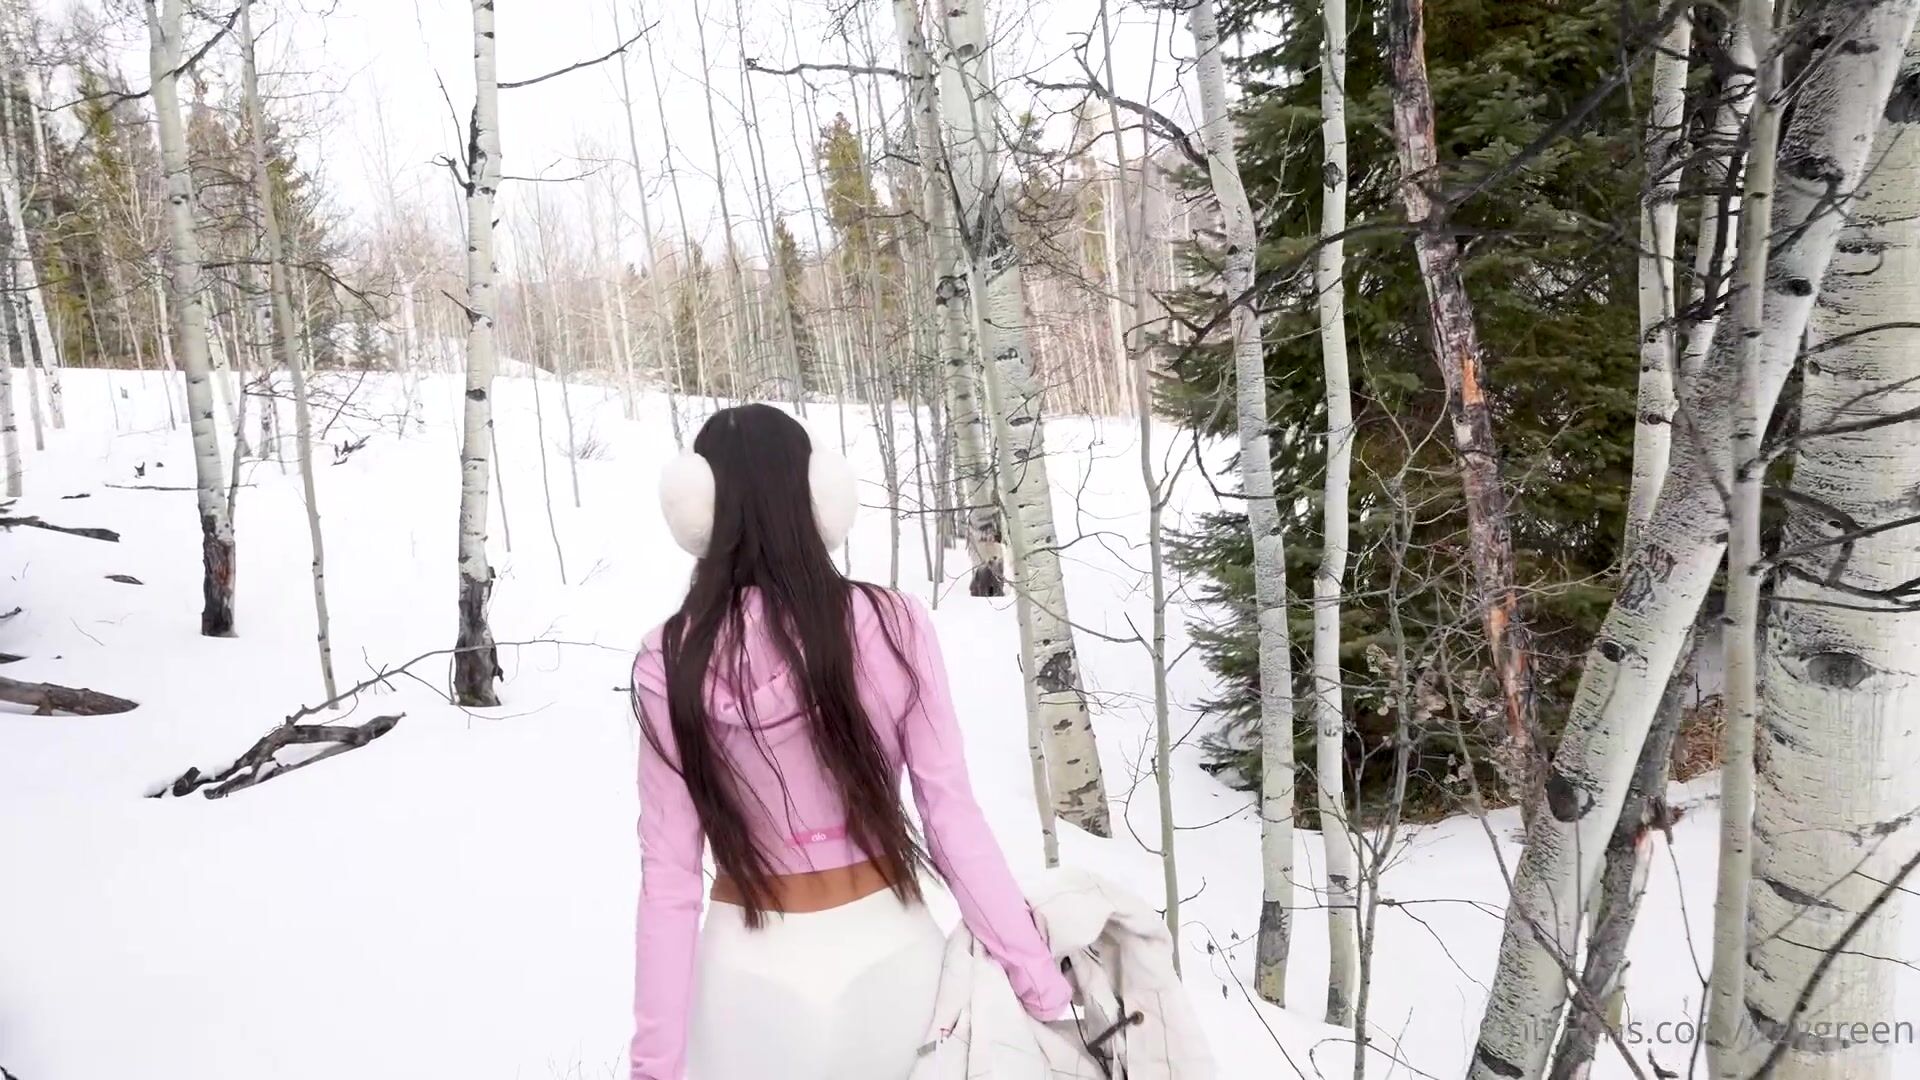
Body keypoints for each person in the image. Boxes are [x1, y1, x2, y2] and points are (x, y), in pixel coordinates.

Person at [629, 404, 1073, 1080]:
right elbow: (950, 817)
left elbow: (669, 878)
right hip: (890, 956)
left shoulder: (669, 657)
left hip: (743, 978)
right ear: (820, 495)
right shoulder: (893, 623)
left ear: (699, 508)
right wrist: (1038, 980)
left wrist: (652, 1069)